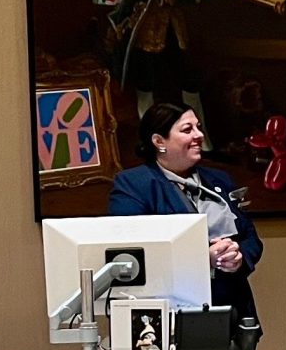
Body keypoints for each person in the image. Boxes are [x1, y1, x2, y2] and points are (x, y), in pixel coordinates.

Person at [109, 101, 263, 328]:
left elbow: (250, 237)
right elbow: (133, 253)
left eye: (198, 127)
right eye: (187, 130)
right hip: (166, 322)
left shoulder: (220, 180)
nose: (199, 135)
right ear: (159, 142)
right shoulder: (134, 185)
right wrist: (203, 259)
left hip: (232, 314)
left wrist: (238, 256)